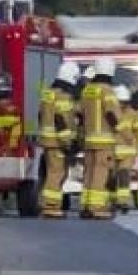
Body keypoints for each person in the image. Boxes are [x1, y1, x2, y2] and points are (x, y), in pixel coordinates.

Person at [37, 61, 79, 219]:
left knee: (52, 172)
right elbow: (61, 119)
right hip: (57, 142)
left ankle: (49, 204)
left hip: (48, 141)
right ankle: (50, 206)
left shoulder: (48, 94)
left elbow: (41, 116)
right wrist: (68, 143)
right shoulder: (62, 96)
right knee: (57, 173)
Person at [78, 61, 119, 220]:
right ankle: (96, 207)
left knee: (89, 172)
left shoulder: (87, 90)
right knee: (100, 172)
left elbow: (80, 114)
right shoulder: (107, 90)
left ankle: (85, 205)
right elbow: (111, 113)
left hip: (89, 139)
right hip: (104, 140)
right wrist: (119, 129)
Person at [111, 84, 138, 213]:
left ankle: (122, 202)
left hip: (127, 152)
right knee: (110, 177)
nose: (122, 104)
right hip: (111, 150)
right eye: (120, 102)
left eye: (124, 102)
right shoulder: (109, 113)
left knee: (124, 175)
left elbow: (137, 130)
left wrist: (136, 143)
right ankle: (111, 200)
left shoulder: (132, 114)